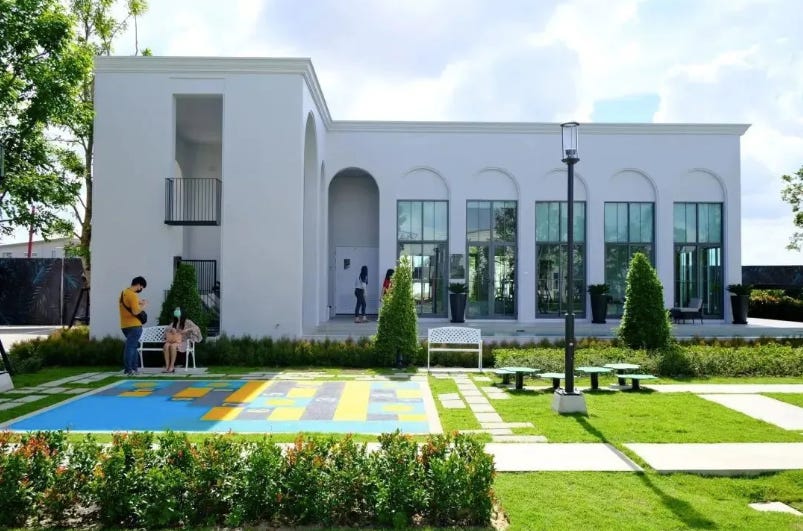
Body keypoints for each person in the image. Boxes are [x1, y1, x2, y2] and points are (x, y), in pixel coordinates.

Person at [119, 276, 148, 375]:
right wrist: (143, 306)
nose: (141, 289)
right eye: (142, 287)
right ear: (139, 285)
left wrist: (139, 302)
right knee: (131, 347)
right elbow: (135, 311)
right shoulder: (133, 295)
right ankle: (129, 369)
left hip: (124, 326)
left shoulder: (123, 293)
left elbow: (128, 304)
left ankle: (134, 369)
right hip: (135, 326)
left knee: (133, 346)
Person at [162, 306, 202, 372]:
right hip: (173, 340)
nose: (176, 311)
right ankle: (167, 366)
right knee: (166, 346)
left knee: (173, 346)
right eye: (175, 310)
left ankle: (172, 366)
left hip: (184, 342)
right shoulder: (174, 322)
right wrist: (172, 330)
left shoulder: (188, 322)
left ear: (182, 312)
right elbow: (167, 330)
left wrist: (187, 330)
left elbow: (196, 328)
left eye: (178, 310)